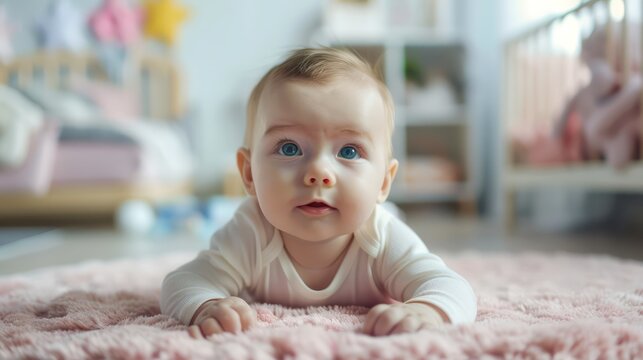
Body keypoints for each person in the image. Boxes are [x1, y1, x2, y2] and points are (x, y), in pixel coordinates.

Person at [160, 47, 477, 338]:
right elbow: (183, 282)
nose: (318, 173)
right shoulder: (251, 232)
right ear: (249, 173)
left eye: (350, 152)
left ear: (383, 182)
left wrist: (428, 310)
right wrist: (207, 305)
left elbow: (450, 287)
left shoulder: (381, 235)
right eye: (289, 147)